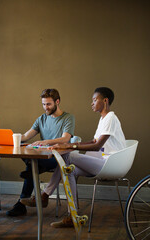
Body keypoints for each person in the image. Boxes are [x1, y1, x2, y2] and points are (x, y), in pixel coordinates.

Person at [47, 87, 126, 228]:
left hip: (110, 164)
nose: (92, 103)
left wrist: (70, 147)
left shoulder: (111, 118)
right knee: (69, 170)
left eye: (95, 100)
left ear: (105, 101)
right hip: (100, 162)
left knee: (69, 156)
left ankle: (45, 194)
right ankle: (73, 216)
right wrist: (71, 144)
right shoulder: (103, 119)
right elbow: (93, 141)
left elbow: (96, 146)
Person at [6, 89, 75, 216]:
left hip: (57, 157)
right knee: (25, 151)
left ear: (57, 102)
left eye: (48, 104)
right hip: (41, 157)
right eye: (43, 104)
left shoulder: (68, 118)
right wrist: (10, 138)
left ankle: (21, 204)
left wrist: (46, 142)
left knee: (31, 166)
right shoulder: (42, 118)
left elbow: (65, 138)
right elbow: (26, 136)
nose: (45, 108)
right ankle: (34, 169)